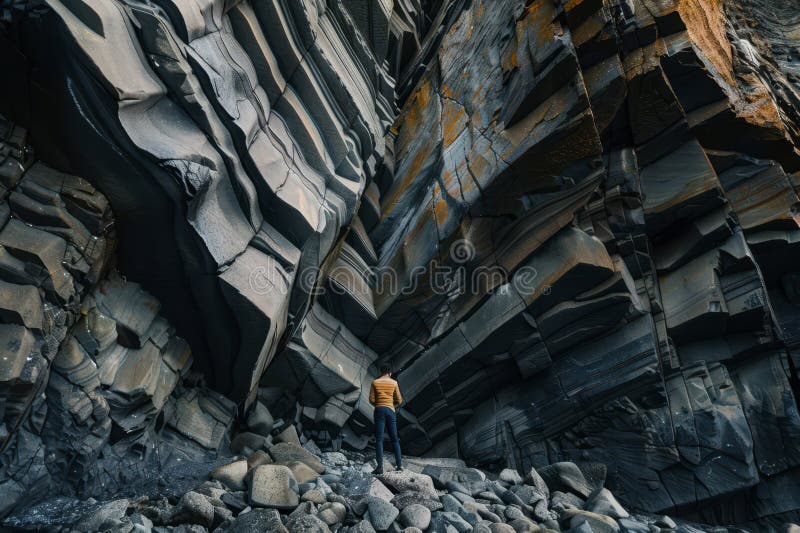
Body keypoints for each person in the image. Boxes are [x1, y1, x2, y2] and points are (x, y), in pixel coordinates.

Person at [368, 363, 403, 474]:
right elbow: (399, 400)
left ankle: (379, 467)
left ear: (381, 372)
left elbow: (371, 399)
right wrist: (392, 405)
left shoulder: (375, 382)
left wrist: (379, 405)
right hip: (390, 411)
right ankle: (399, 466)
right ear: (390, 373)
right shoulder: (394, 383)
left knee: (379, 439)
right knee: (394, 439)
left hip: (379, 410)